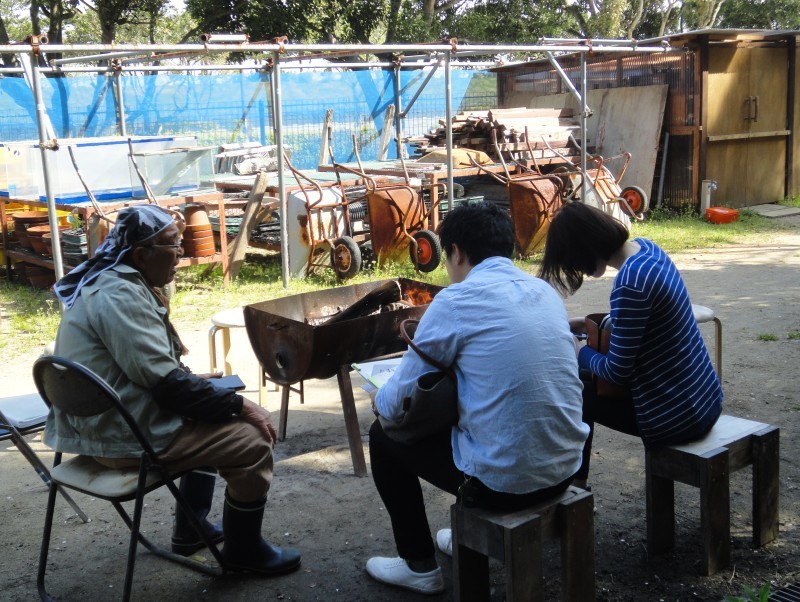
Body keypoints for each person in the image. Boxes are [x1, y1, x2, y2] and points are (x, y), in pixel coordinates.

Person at [45, 204, 300, 575]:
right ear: (141, 254)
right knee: (251, 440)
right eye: (172, 245)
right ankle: (245, 553)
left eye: (180, 242)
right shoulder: (122, 296)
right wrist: (242, 407)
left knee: (206, 407)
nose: (181, 252)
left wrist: (198, 387)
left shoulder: (115, 282)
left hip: (97, 424)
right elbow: (165, 385)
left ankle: (191, 530)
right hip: (121, 437)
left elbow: (147, 368)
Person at [365, 201, 589, 595]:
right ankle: (464, 536)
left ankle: (418, 566)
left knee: (382, 438)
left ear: (455, 253)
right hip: (566, 469)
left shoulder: (455, 301)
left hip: (503, 486)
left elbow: (397, 398)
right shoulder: (545, 293)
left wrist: (378, 398)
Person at [539, 201, 723, 488]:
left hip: (677, 416)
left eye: (573, 259)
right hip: (705, 398)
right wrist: (584, 325)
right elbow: (640, 320)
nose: (579, 269)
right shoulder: (648, 251)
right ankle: (576, 485)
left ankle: (575, 490)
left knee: (578, 392)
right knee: (586, 378)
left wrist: (578, 350)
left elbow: (616, 372)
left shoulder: (630, 283)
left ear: (585, 249)